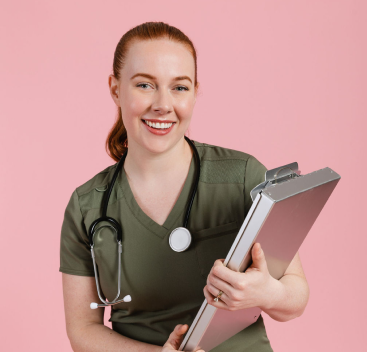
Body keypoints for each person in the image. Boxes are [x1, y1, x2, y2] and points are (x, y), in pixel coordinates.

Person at [59, 22, 310, 352]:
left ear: (194, 92)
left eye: (179, 87)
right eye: (145, 85)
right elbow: (82, 329)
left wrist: (266, 292)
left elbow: (296, 297)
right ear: (116, 89)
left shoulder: (243, 177)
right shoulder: (87, 206)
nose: (163, 104)